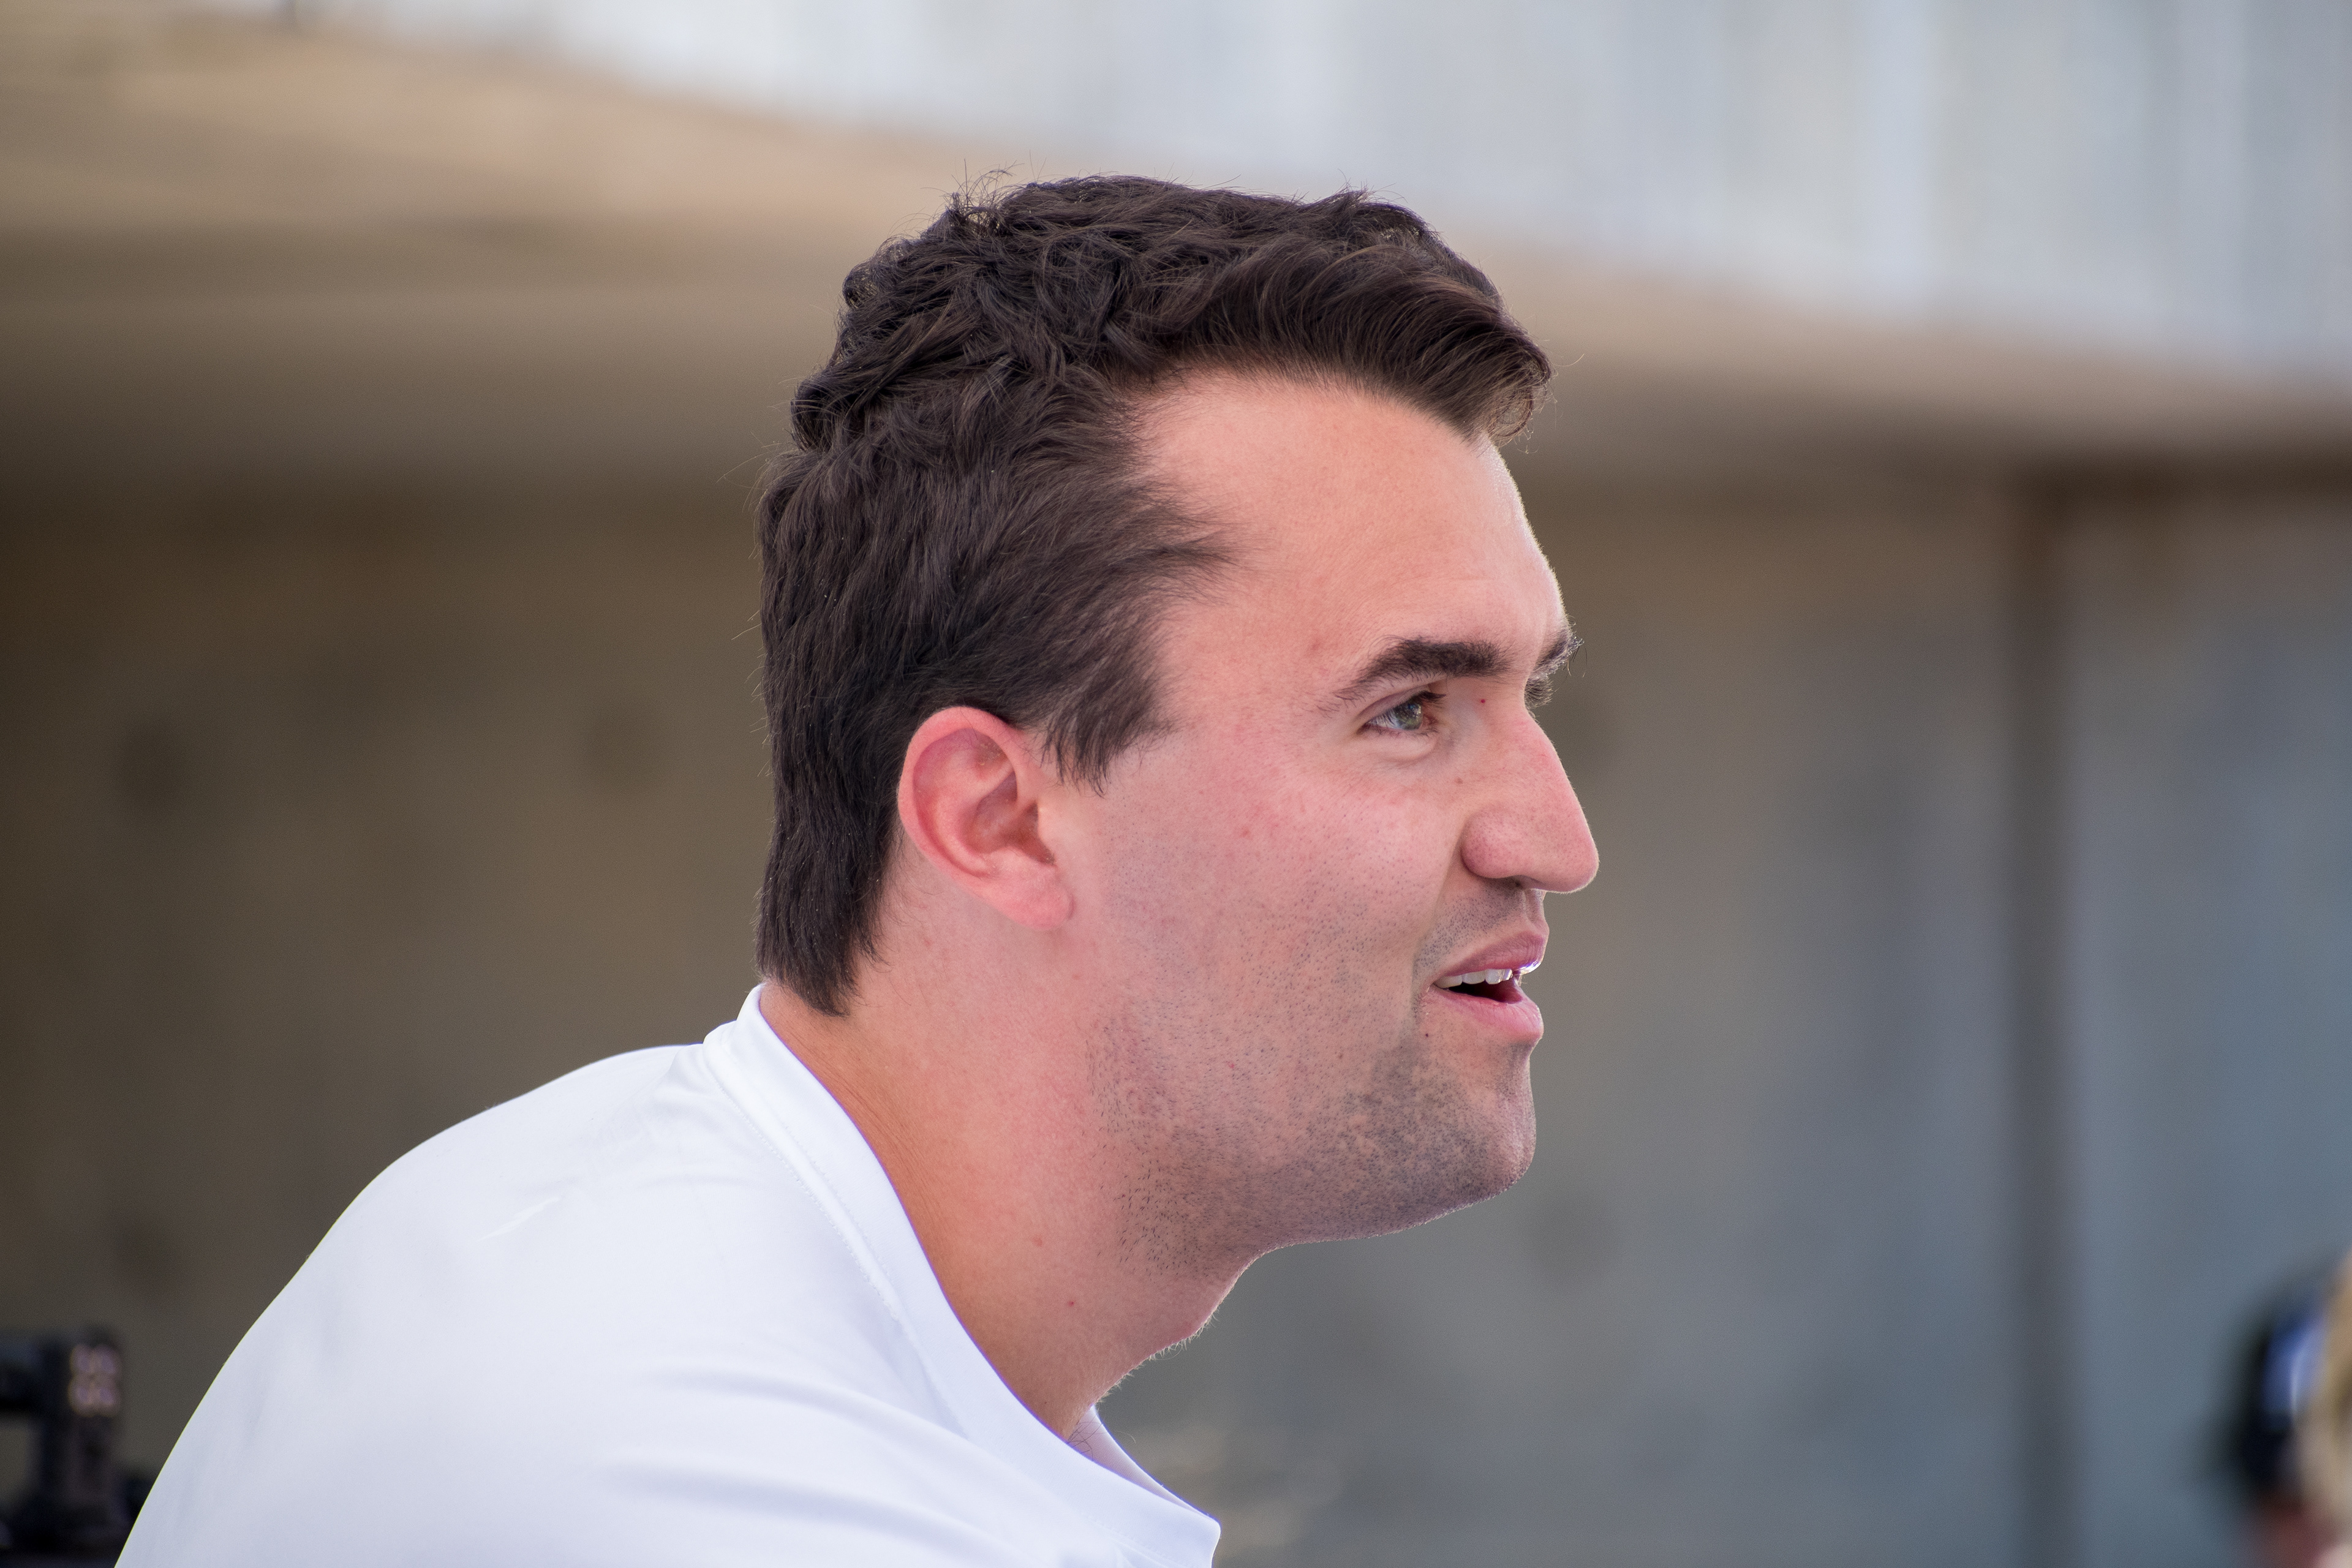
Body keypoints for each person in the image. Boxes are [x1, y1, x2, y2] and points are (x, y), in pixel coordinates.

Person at [121, 176, 1599, 1566]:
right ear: (998, 819)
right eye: (1409, 711)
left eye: (1530, 693)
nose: (1556, 841)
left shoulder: (565, 1202)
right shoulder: (721, 1487)